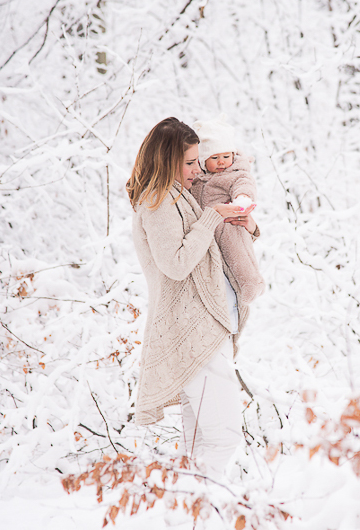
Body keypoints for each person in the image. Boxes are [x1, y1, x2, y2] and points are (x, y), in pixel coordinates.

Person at [125, 117, 256, 477]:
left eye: (199, 161)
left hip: (206, 330)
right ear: (166, 161)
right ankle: (197, 511)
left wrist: (247, 226)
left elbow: (211, 244)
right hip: (194, 334)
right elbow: (178, 263)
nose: (198, 170)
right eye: (189, 163)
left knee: (199, 443)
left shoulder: (180, 194)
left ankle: (187, 514)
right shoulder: (157, 203)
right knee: (223, 438)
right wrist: (212, 216)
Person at [190, 116, 266, 305]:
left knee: (237, 252)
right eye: (214, 158)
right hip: (205, 230)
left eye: (226, 156)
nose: (222, 162)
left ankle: (251, 282)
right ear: (203, 160)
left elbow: (244, 183)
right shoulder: (196, 177)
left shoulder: (235, 173)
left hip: (228, 224)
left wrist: (242, 199)